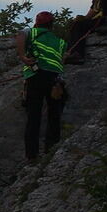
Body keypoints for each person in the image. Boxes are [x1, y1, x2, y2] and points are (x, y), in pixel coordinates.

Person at [16, 11, 67, 160]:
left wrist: (22, 57)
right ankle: (51, 148)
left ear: (37, 23)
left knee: (34, 116)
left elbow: (20, 35)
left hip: (35, 76)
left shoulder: (32, 32)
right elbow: (63, 57)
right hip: (54, 79)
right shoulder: (60, 41)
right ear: (51, 25)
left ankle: (32, 155)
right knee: (54, 114)